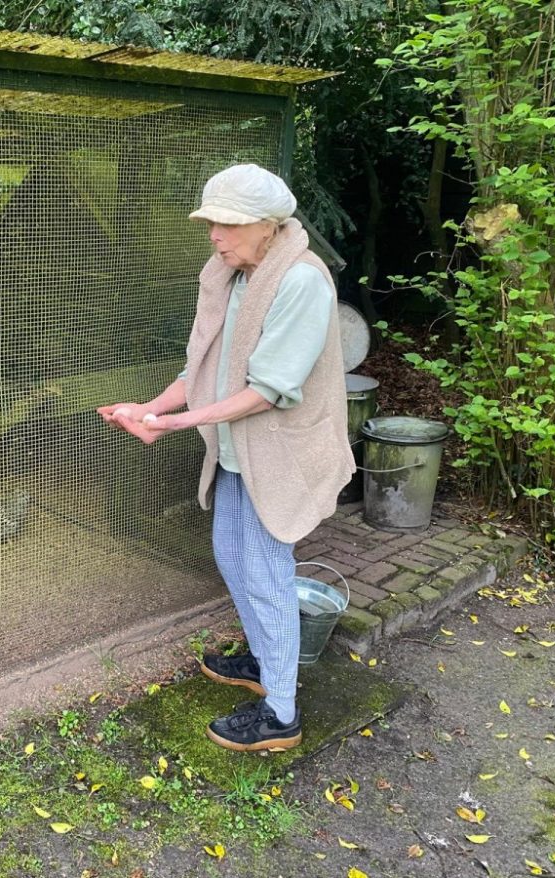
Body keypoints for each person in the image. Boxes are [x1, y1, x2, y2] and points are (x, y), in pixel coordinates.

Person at [98, 164, 353, 752]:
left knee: (266, 574)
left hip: (280, 454)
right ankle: (265, 663)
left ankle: (282, 715)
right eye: (211, 222)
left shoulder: (301, 281)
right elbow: (201, 370)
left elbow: (267, 390)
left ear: (269, 225)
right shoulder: (232, 276)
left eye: (228, 224)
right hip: (239, 450)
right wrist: (151, 407)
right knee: (231, 553)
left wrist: (176, 423)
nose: (214, 234)